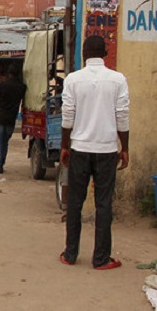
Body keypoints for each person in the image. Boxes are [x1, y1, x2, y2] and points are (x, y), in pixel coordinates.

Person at [59, 35, 129, 270]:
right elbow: (122, 115)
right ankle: (100, 258)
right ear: (105, 53)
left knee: (75, 203)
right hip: (107, 149)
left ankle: (70, 254)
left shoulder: (73, 79)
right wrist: (125, 147)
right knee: (104, 204)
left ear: (84, 54)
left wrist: (65, 146)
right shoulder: (118, 79)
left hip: (80, 148)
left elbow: (67, 115)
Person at [0, 64, 26, 174]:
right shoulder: (22, 87)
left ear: (8, 73)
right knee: (5, 142)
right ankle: (1, 163)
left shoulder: (3, 85)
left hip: (0, 116)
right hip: (11, 117)